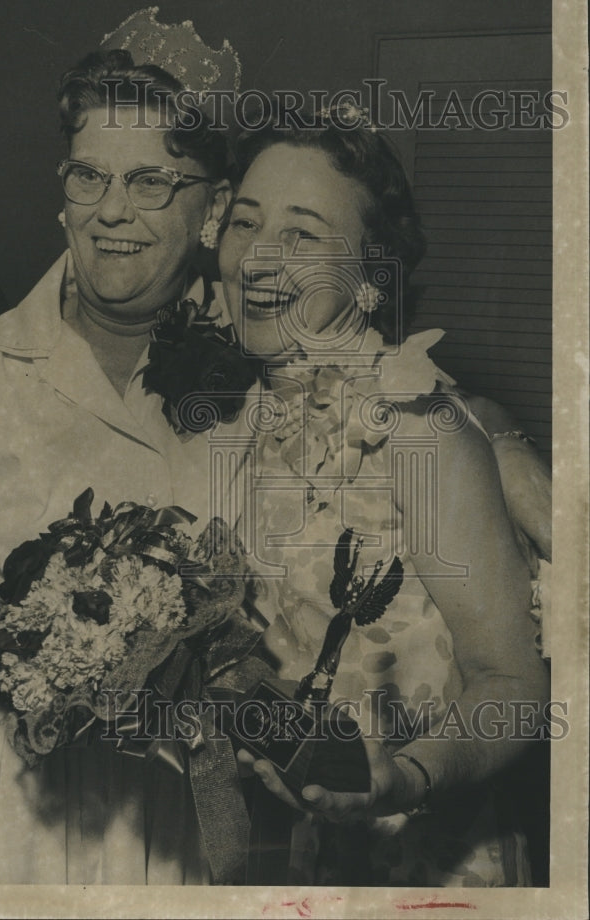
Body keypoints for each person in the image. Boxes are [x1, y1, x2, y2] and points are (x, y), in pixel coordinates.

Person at [0, 24, 242, 884]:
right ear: (61, 193)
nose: (113, 211)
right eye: (89, 176)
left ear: (212, 210)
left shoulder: (262, 380)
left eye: (151, 181)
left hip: (182, 802)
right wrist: (64, 669)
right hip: (5, 798)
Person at [216, 116, 551, 886]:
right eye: (245, 221)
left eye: (302, 235)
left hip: (427, 862)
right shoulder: (244, 415)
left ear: (368, 272)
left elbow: (512, 684)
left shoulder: (416, 426)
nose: (260, 257)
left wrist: (406, 778)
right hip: (297, 855)